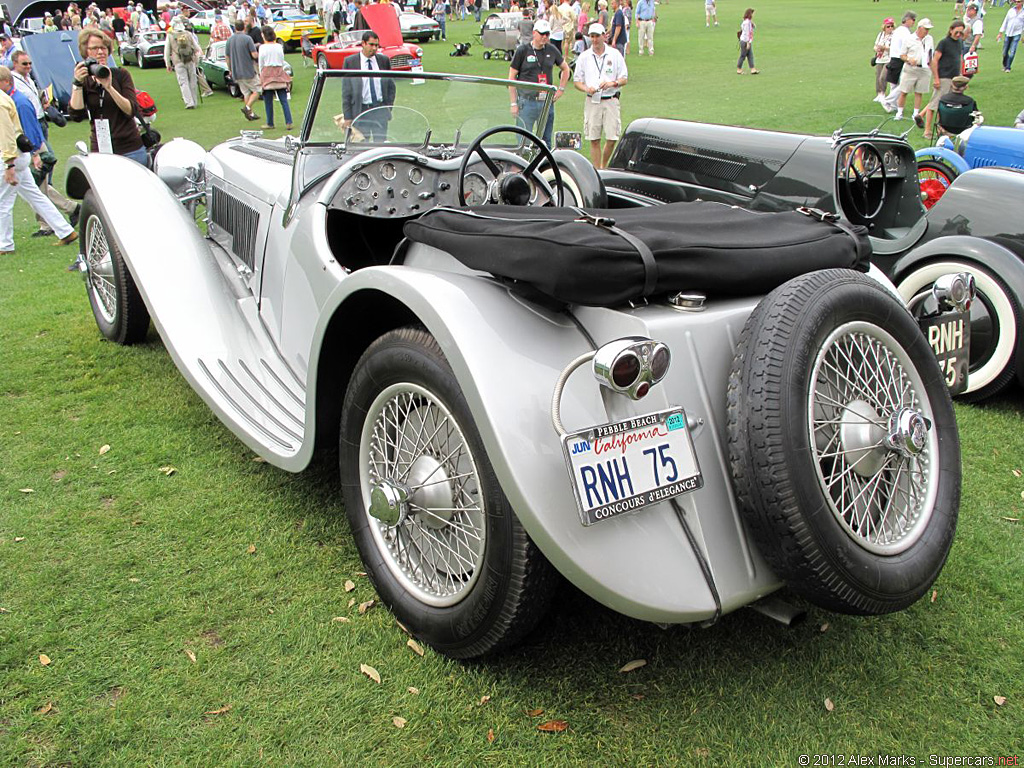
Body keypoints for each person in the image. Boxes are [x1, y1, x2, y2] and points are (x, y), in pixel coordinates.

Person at [0, 67, 77, 254]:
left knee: (3, 202)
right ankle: (65, 231)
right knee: (35, 196)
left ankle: (5, 244)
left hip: (11, 156)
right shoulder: (6, 99)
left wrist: (9, 163)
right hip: (18, 155)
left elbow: (6, 135)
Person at [68, 29, 147, 165]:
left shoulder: (121, 75)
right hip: (100, 150)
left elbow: (131, 111)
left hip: (130, 148)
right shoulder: (84, 80)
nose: (100, 52)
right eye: (94, 48)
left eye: (103, 47)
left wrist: (109, 87)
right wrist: (77, 84)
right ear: (85, 52)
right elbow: (76, 114)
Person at [573, 22, 627, 169]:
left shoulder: (615, 55)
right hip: (592, 101)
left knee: (612, 138)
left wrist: (612, 83)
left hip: (611, 99)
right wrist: (586, 88)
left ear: (604, 36)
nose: (595, 40)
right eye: (592, 36)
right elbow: (577, 81)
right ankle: (598, 170)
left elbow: (624, 78)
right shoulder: (584, 57)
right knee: (594, 138)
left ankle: (603, 165)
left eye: (597, 36)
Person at [508, 19, 570, 146]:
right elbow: (512, 77)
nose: (544, 37)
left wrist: (561, 89)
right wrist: (514, 103)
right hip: (527, 102)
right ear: (534, 33)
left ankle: (544, 165)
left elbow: (565, 68)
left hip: (546, 103)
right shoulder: (522, 50)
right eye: (542, 34)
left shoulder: (551, 50)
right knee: (523, 141)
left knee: (545, 141)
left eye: (547, 34)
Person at [340, 32, 396, 142]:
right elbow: (346, 92)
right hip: (360, 111)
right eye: (371, 45)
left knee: (380, 146)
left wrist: (387, 108)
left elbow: (391, 88)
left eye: (377, 45)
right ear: (363, 43)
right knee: (361, 146)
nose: (374, 48)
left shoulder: (384, 61)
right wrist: (347, 117)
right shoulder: (350, 62)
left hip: (379, 110)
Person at [924, 20, 965, 139]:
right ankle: (927, 130)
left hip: (954, 78)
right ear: (951, 30)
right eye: (956, 32)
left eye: (960, 33)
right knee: (934, 105)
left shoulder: (959, 43)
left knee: (948, 106)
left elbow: (960, 58)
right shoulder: (944, 43)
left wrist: (960, 75)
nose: (958, 35)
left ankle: (943, 130)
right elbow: (934, 61)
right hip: (943, 77)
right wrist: (936, 78)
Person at [895, 18, 935, 125]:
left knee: (919, 92)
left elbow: (931, 53)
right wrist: (909, 59)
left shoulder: (929, 39)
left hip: (924, 69)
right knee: (904, 91)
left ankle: (916, 113)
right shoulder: (909, 39)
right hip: (910, 68)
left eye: (928, 29)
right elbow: (902, 55)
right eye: (925, 29)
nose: (927, 31)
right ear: (919, 28)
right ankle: (899, 112)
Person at [258, 27, 292, 130]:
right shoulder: (278, 46)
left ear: (264, 35)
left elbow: (261, 63)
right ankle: (288, 121)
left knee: (268, 101)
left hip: (267, 74)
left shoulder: (262, 48)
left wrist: (261, 76)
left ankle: (270, 122)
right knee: (283, 100)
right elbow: (282, 60)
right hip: (278, 72)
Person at [226, 20, 261, 121]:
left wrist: (230, 69)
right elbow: (254, 54)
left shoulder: (230, 40)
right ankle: (247, 108)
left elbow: (227, 57)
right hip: (248, 70)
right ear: (244, 27)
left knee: (246, 92)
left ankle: (250, 114)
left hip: (236, 71)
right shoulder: (247, 38)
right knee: (257, 90)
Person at [881, 11, 916, 112]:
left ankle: (893, 106)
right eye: (913, 20)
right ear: (907, 20)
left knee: (894, 83)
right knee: (903, 84)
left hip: (893, 58)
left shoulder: (898, 30)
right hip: (899, 59)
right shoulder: (905, 32)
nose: (913, 22)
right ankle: (887, 101)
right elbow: (908, 46)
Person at [165, 17, 201, 108]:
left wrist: (168, 64)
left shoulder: (170, 35)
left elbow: (167, 51)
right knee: (192, 80)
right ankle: (194, 101)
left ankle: (189, 102)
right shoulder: (188, 34)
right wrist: (197, 59)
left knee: (183, 82)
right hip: (190, 60)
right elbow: (196, 47)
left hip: (178, 62)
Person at [997, 0, 1024, 71]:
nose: (1017, 3)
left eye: (1019, 2)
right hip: (1008, 33)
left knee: (1012, 52)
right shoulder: (1011, 10)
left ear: (1022, 2)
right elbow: (1005, 21)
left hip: (1017, 33)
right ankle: (1005, 65)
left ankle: (1008, 67)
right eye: (1016, 2)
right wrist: (1000, 32)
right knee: (1005, 52)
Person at [872, 18, 894, 102]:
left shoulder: (894, 36)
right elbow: (875, 45)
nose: (890, 28)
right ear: (884, 27)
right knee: (878, 77)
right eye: (888, 26)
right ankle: (879, 94)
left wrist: (884, 48)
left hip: (888, 58)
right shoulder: (881, 35)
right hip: (879, 58)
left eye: (892, 26)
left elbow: (893, 48)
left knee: (883, 77)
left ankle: (883, 94)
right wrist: (876, 49)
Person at [737, 8, 757, 74]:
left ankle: (753, 69)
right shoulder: (747, 22)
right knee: (743, 55)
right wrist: (748, 43)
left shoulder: (747, 21)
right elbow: (747, 33)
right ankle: (739, 69)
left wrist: (752, 24)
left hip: (746, 41)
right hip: (745, 41)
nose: (753, 15)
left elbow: (753, 27)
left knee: (750, 55)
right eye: (753, 14)